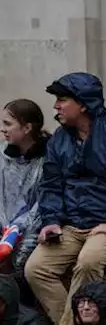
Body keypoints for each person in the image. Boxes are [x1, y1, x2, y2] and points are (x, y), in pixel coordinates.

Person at [27, 72, 106, 325]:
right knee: (36, 268)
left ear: (83, 103)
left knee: (88, 261)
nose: (56, 106)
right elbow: (50, 185)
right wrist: (51, 221)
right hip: (72, 226)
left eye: (62, 99)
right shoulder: (60, 139)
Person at [0, 99, 48, 273]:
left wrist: (16, 229)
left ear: (27, 128)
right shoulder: (3, 155)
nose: (2, 129)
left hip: (32, 231)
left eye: (7, 124)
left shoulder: (47, 160)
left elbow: (42, 203)